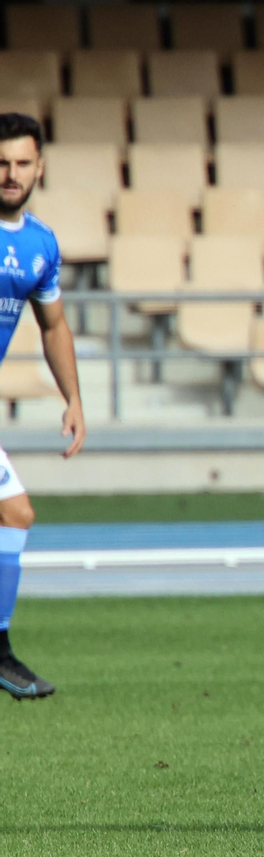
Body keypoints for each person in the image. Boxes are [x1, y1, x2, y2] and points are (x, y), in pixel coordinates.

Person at [0, 113, 86, 700]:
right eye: (1, 162)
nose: (10, 174)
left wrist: (74, 397)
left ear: (39, 167)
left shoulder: (40, 245)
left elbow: (53, 326)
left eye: (21, 163)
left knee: (15, 514)